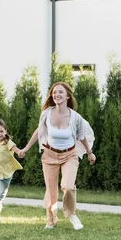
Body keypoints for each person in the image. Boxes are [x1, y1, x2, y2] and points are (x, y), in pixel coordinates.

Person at [19, 82, 96, 230]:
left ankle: (71, 214)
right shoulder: (47, 113)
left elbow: (82, 136)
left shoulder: (75, 117)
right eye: (54, 93)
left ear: (67, 95)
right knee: (51, 191)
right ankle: (51, 221)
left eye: (60, 92)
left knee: (67, 186)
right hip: (49, 155)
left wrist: (89, 153)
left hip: (70, 155)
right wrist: (26, 148)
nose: (57, 95)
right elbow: (39, 131)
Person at [0, 119, 23, 225]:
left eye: (1, 131)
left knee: (2, 193)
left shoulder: (8, 143)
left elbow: (15, 149)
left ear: (5, 131)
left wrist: (19, 152)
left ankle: (0, 202)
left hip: (7, 171)